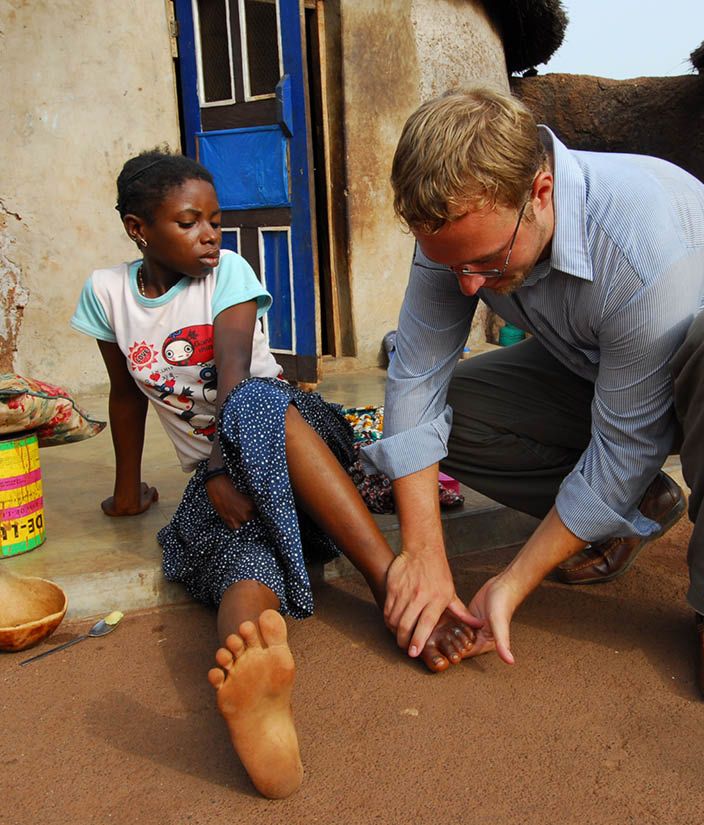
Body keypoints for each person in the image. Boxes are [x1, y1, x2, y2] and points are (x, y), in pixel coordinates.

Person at [71, 150, 477, 799]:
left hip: (301, 447)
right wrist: (128, 492)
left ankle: (388, 580)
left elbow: (234, 371)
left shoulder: (227, 272)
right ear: (137, 228)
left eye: (215, 219)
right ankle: (254, 678)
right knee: (239, 555)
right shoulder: (107, 295)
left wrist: (215, 470)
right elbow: (123, 395)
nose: (210, 233)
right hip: (238, 489)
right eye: (188, 221)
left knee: (258, 402)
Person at [362, 86, 704, 708]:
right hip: (600, 370)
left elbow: (628, 442)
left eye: (486, 264)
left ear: (540, 192)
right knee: (451, 415)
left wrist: (513, 583)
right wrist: (423, 553)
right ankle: (638, 509)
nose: (467, 287)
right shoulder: (460, 224)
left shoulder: (642, 246)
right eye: (450, 265)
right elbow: (416, 377)